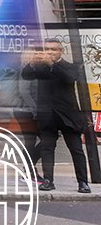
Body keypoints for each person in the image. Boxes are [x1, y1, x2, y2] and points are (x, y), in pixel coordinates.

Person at [22, 39, 92, 193]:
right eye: (47, 49)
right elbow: (26, 75)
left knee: (76, 149)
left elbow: (69, 79)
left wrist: (52, 65)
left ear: (61, 51)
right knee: (47, 149)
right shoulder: (41, 68)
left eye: (53, 49)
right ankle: (48, 180)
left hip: (68, 116)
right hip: (47, 116)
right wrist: (32, 63)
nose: (50, 52)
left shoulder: (70, 67)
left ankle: (83, 182)